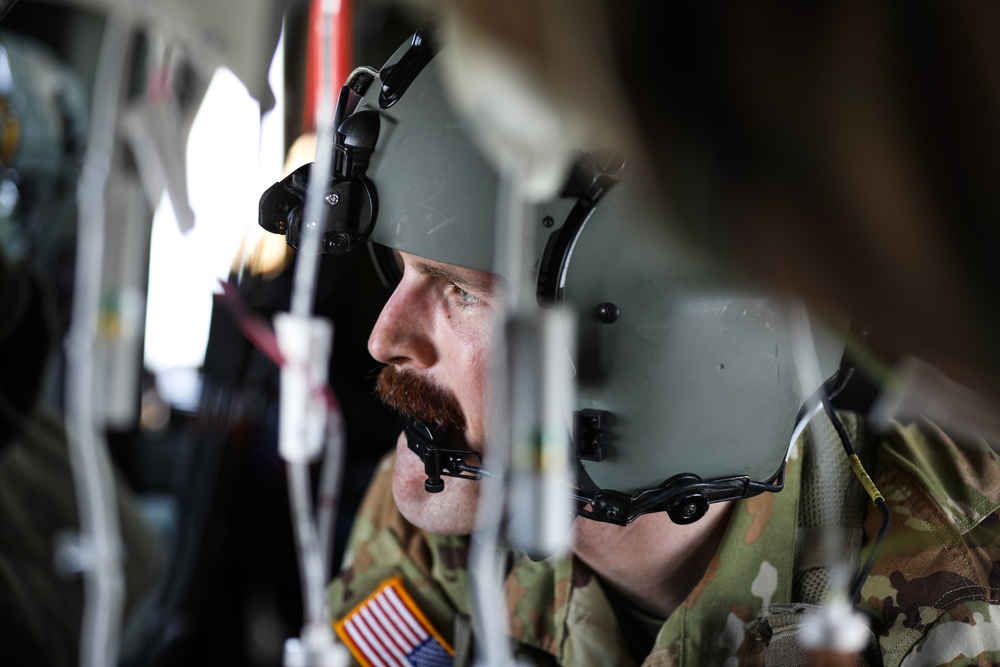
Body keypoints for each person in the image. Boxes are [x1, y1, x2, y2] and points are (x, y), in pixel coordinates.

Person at [258, 26, 1000, 667]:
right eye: (406, 271)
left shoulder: (956, 602)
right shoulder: (451, 487)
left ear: (660, 339)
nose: (383, 336)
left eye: (462, 291)